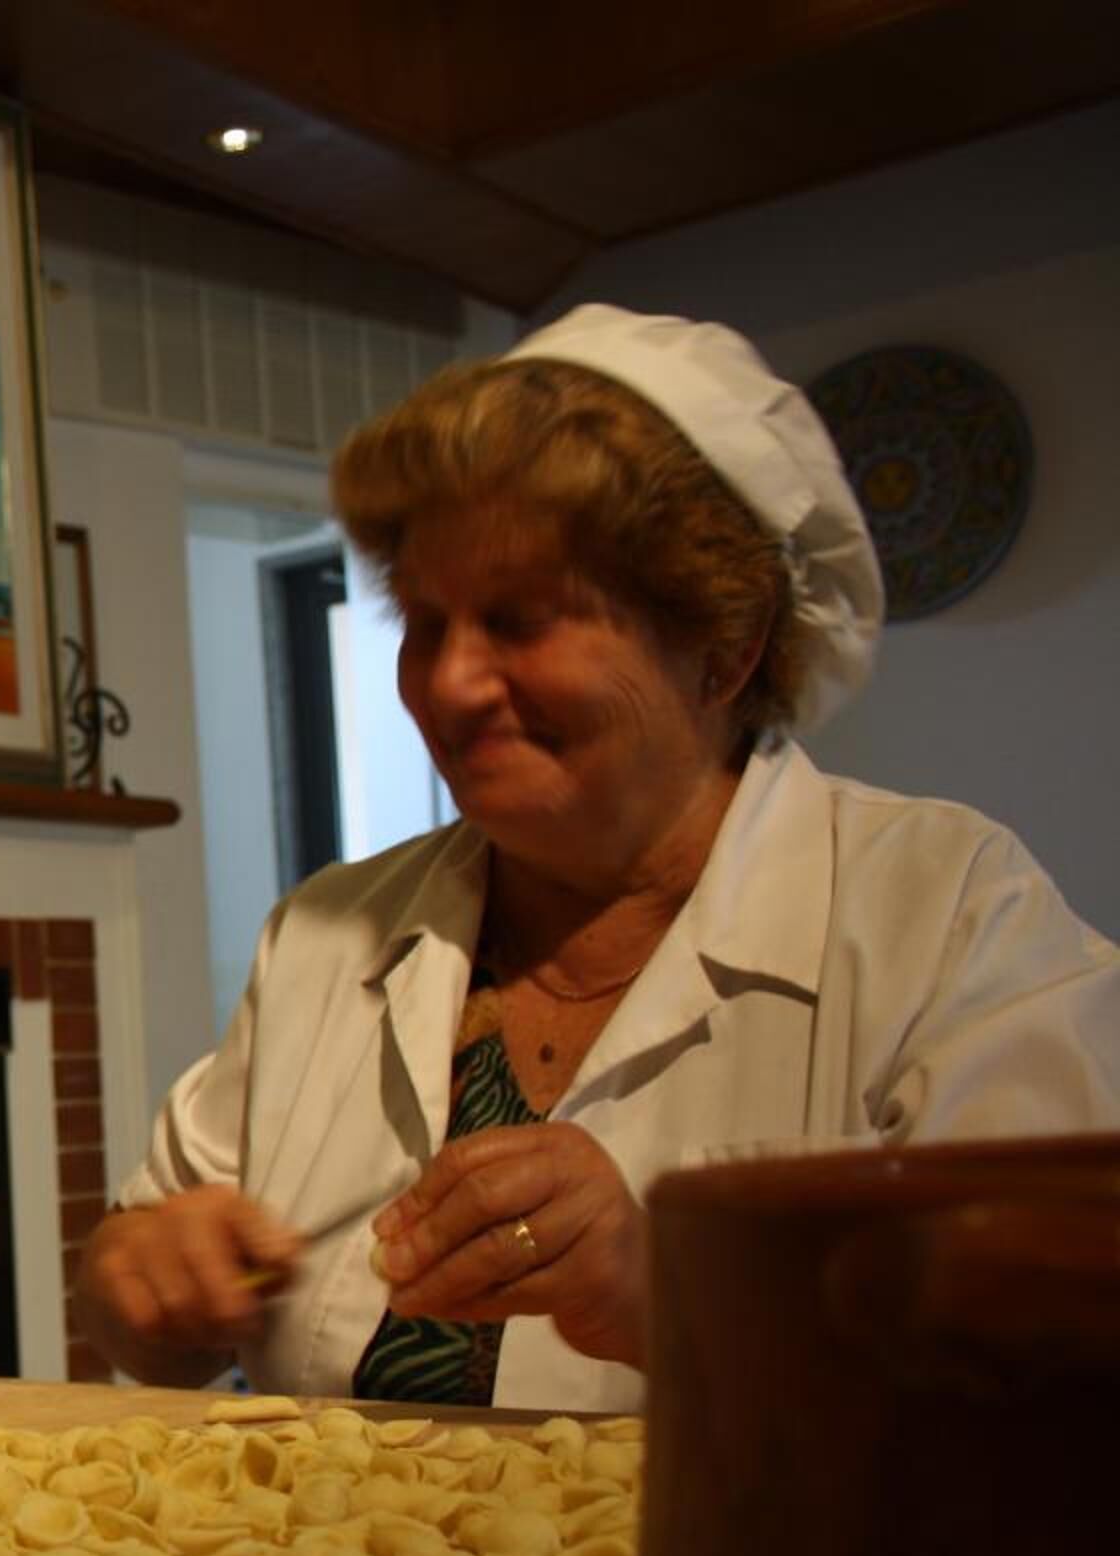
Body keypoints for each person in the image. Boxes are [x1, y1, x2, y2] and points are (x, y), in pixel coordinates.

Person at [77, 304, 1120, 1410]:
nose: (450, 684)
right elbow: (143, 1288)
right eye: (427, 622)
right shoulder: (330, 932)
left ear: (724, 645)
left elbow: (1061, 1367)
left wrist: (662, 1289)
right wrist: (140, 1277)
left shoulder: (946, 911)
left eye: (524, 618)